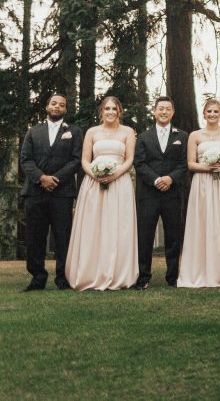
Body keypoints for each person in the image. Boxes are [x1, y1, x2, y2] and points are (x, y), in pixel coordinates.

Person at [65, 96, 139, 290]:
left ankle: (118, 273)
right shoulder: (91, 132)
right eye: (107, 108)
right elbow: (84, 160)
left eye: (114, 108)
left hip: (119, 182)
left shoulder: (128, 132)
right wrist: (95, 175)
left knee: (117, 226)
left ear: (120, 112)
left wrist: (114, 174)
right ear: (101, 112)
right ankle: (90, 272)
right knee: (94, 226)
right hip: (93, 183)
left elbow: (129, 159)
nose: (111, 112)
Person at [178, 98, 220, 288]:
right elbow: (190, 163)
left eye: (216, 112)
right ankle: (202, 270)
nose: (213, 115)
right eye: (209, 112)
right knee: (203, 222)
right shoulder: (195, 135)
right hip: (203, 182)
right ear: (204, 114)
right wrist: (208, 167)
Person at [19, 93, 82, 291]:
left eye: (61, 105)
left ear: (66, 110)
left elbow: (76, 160)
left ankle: (63, 278)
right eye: (53, 103)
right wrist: (42, 178)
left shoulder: (74, 131)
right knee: (35, 236)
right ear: (47, 107)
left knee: (63, 237)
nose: (57, 107)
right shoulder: (33, 132)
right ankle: (38, 277)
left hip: (62, 192)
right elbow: (25, 159)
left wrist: (56, 178)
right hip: (35, 192)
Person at [133, 96, 188, 290]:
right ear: (154, 112)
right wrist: (156, 180)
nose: (164, 112)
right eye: (160, 109)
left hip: (172, 193)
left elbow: (184, 164)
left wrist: (170, 179)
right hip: (149, 193)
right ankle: (144, 277)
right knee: (145, 236)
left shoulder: (182, 136)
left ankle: (172, 277)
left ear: (173, 112)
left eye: (167, 109)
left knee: (173, 236)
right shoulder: (143, 136)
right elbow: (139, 163)